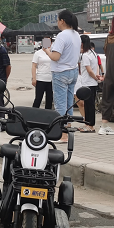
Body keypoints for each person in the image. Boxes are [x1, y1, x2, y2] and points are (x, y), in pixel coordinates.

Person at [43, 10, 81, 143]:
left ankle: (62, 135)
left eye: (58, 20)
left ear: (62, 21)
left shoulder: (62, 35)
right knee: (69, 103)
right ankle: (68, 130)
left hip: (61, 72)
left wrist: (46, 49)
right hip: (73, 71)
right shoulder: (76, 34)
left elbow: (55, 57)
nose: (57, 23)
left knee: (60, 105)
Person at [76, 35, 101, 133]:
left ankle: (89, 125)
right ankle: (89, 124)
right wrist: (97, 76)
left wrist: (96, 77)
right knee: (90, 105)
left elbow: (89, 71)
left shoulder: (85, 55)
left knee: (88, 105)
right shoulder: (93, 53)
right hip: (93, 83)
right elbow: (97, 67)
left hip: (87, 83)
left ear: (82, 43)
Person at [31, 36, 53, 109]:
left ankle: (48, 117)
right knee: (38, 99)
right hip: (41, 79)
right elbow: (34, 66)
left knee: (49, 99)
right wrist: (34, 78)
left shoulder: (53, 53)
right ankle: (33, 114)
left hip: (51, 79)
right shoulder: (38, 53)